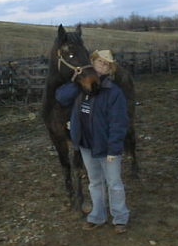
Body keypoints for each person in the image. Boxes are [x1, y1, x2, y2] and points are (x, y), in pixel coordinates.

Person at [55, 49, 130, 234]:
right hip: (86, 144)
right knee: (94, 182)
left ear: (109, 69)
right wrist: (75, 80)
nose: (102, 66)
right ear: (92, 63)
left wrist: (114, 150)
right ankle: (98, 216)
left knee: (114, 183)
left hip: (106, 146)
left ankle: (120, 218)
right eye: (99, 62)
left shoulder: (113, 92)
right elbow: (61, 97)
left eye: (106, 64)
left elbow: (119, 123)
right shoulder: (81, 86)